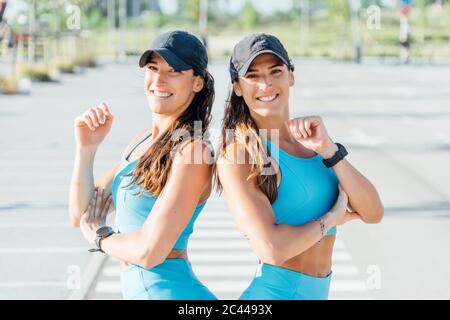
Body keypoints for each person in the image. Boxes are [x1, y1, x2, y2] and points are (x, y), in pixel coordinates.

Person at [215, 33, 384, 300]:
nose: (266, 84)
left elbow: (373, 212)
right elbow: (271, 248)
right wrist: (331, 218)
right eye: (253, 76)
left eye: (275, 71)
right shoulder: (240, 153)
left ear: (291, 76)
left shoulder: (314, 144)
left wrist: (329, 149)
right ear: (237, 86)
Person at [69, 30, 217, 300]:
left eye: (173, 71)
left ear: (197, 82)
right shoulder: (142, 140)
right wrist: (87, 149)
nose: (159, 79)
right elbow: (80, 213)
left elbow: (149, 252)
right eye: (152, 67)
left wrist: (100, 237)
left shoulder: (193, 151)